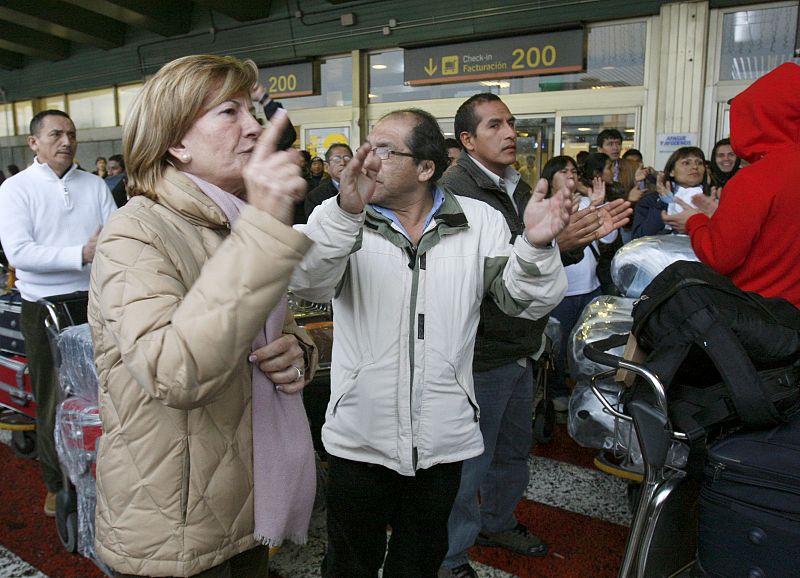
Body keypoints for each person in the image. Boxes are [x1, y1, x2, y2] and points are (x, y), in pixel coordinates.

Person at [290, 106, 571, 578]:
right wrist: (344, 212)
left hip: (441, 436)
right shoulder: (341, 218)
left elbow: (521, 301)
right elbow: (307, 282)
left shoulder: (479, 221)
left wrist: (537, 246)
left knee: (419, 561)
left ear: (425, 168)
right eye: (368, 144)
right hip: (360, 435)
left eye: (385, 149)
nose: (367, 159)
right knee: (348, 564)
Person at [87, 54, 319, 577]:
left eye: (251, 111)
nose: (254, 127)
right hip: (177, 522)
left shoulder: (233, 221)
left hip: (246, 501)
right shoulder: (136, 231)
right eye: (228, 112)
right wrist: (263, 230)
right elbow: (176, 372)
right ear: (176, 142)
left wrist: (298, 351)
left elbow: (271, 327)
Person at [434, 93, 563, 578]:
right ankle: (449, 558)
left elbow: (530, 257)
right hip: (482, 351)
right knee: (470, 462)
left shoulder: (516, 185)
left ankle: (498, 521)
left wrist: (559, 245)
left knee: (513, 450)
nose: (510, 132)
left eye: (511, 122)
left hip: (519, 344)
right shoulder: (455, 192)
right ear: (467, 140)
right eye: (494, 125)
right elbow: (467, 281)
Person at [0, 110, 117, 517]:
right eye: (55, 134)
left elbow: (114, 236)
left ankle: (108, 473)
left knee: (107, 392)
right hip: (44, 307)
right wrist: (79, 254)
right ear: (34, 143)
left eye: (71, 134)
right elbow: (19, 253)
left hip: (94, 300)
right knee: (52, 397)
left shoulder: (95, 184)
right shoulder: (17, 189)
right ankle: (56, 482)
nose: (66, 141)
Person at [663, 62, 800, 308]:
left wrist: (695, 222)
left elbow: (720, 257)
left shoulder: (756, 178)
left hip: (764, 316)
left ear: (757, 119)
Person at [632, 146, 708, 239]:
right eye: (686, 163)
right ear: (672, 171)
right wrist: (663, 204)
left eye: (699, 163)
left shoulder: (713, 201)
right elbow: (639, 238)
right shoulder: (651, 201)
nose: (695, 167)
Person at [304, 142, 353, 219]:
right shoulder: (314, 196)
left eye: (347, 158)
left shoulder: (367, 190)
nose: (343, 163)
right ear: (327, 167)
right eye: (336, 159)